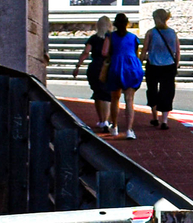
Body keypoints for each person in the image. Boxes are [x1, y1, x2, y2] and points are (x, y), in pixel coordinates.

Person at [72, 16, 115, 131]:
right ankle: (106, 120)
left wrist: (78, 66)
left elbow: (86, 52)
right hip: (108, 66)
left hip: (95, 66)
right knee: (107, 94)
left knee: (97, 93)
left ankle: (101, 120)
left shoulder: (93, 39)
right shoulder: (113, 38)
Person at [143, 8, 181, 130]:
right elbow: (178, 50)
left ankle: (155, 117)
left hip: (153, 65)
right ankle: (164, 121)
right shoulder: (172, 32)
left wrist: (139, 61)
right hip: (168, 66)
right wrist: (176, 64)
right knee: (167, 92)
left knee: (152, 90)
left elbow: (144, 50)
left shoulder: (151, 33)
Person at [110, 11, 144, 139]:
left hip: (116, 66)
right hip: (131, 67)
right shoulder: (133, 37)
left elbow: (106, 52)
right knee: (129, 100)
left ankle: (114, 126)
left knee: (115, 98)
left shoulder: (111, 36)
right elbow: (136, 53)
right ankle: (129, 129)